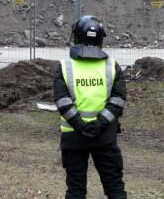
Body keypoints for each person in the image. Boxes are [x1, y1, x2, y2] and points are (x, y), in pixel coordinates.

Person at [53, 15, 127, 199]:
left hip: (73, 136)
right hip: (105, 136)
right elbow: (118, 100)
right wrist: (100, 123)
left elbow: (62, 101)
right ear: (101, 38)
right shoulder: (112, 66)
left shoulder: (65, 66)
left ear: (77, 37)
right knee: (115, 187)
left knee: (76, 190)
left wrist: (80, 125)